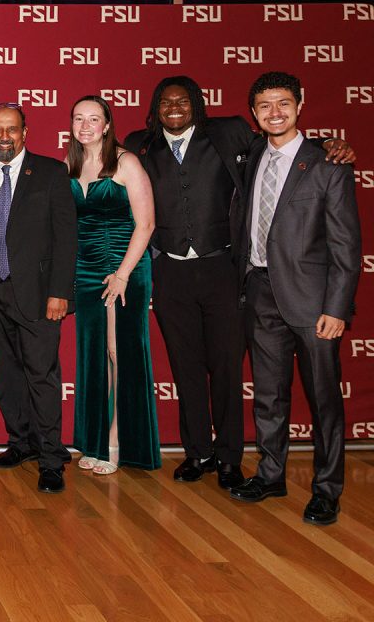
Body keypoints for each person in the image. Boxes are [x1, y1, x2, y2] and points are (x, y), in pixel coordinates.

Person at [122, 76, 354, 489]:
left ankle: (230, 457)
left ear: (197, 103)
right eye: (165, 102)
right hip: (171, 272)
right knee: (186, 367)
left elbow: (284, 139)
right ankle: (199, 453)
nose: (174, 108)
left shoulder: (227, 133)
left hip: (223, 272)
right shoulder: (140, 143)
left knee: (228, 368)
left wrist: (327, 145)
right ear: (154, 109)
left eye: (183, 101)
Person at [230, 71, 361, 526]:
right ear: (254, 113)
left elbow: (347, 246)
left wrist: (336, 308)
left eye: (283, 103)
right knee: (268, 394)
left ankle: (327, 490)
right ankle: (271, 474)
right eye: (265, 106)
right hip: (260, 289)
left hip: (313, 301)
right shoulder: (250, 158)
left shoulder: (328, 163)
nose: (275, 113)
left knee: (325, 400)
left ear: (300, 103)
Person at [0, 103, 77, 494]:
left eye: (12, 129)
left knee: (42, 376)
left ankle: (51, 458)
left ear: (25, 133)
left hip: (38, 292)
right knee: (7, 374)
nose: (4, 137)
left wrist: (60, 291)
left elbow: (66, 237)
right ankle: (21, 443)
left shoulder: (50, 172)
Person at [66, 96, 159, 476]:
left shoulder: (126, 162)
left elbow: (147, 224)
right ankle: (94, 439)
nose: (85, 125)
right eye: (78, 118)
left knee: (118, 351)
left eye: (94, 119)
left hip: (124, 269)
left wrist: (122, 274)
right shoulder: (70, 165)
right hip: (85, 271)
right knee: (93, 355)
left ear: (107, 125)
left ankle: (116, 440)